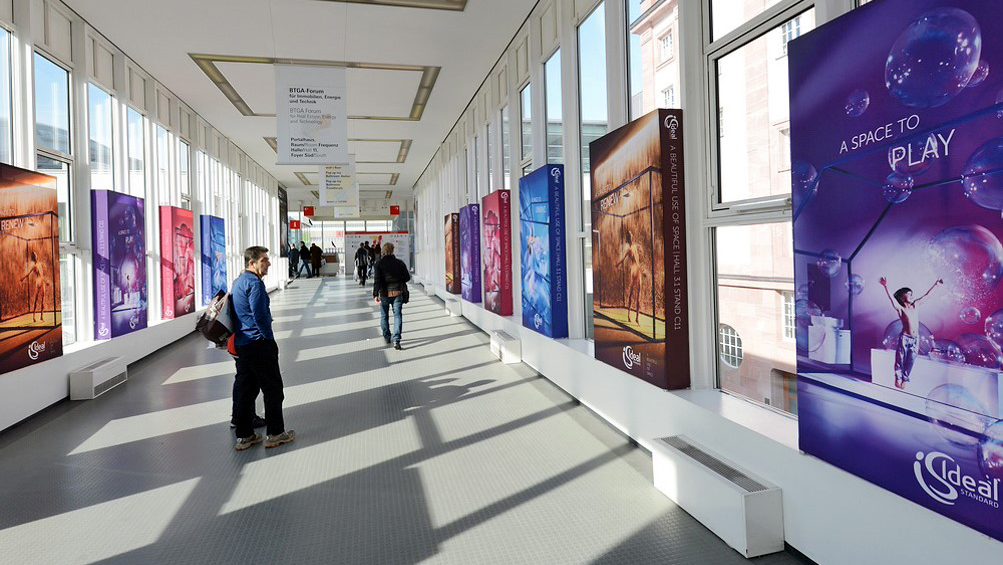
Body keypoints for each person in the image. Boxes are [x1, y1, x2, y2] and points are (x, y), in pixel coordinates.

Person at [231, 246, 295, 450]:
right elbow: (260, 316)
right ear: (252, 263)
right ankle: (276, 433)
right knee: (273, 388)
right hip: (258, 344)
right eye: (264, 260)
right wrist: (268, 339)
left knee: (246, 392)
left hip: (243, 344)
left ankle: (244, 436)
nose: (268, 262)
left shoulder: (239, 281)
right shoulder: (255, 284)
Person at [880, 276, 943, 389]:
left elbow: (927, 296)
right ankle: (898, 376)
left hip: (915, 338)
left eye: (912, 294)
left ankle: (905, 377)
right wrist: (886, 286)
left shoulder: (916, 305)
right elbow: (891, 299)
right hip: (905, 337)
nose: (912, 296)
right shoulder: (901, 309)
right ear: (902, 297)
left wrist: (936, 285)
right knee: (900, 357)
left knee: (911, 359)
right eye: (909, 294)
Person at [373, 242, 411, 350]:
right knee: (397, 315)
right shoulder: (399, 263)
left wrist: (375, 294)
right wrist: (399, 280)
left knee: (384, 316)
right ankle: (396, 340)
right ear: (393, 250)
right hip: (397, 293)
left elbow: (377, 281)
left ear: (383, 251)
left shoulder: (378, 264)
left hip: (384, 293)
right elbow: (407, 278)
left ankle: (387, 337)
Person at [615, 229, 646, 324]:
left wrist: (618, 264)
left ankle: (637, 316)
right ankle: (629, 314)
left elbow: (635, 260)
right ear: (628, 239)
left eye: (632, 235)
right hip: (633, 271)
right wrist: (618, 264)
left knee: (639, 295)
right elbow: (627, 259)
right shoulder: (630, 249)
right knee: (632, 293)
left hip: (637, 270)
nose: (632, 237)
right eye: (630, 236)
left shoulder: (635, 247)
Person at [21, 251, 48, 323]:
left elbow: (40, 273)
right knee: (37, 299)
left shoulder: (39, 264)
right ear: (34, 258)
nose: (35, 257)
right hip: (40, 281)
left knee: (42, 299)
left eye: (35, 255)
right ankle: (34, 316)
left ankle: (40, 316)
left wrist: (23, 278)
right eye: (34, 256)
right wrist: (23, 278)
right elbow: (30, 274)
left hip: (40, 281)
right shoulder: (36, 266)